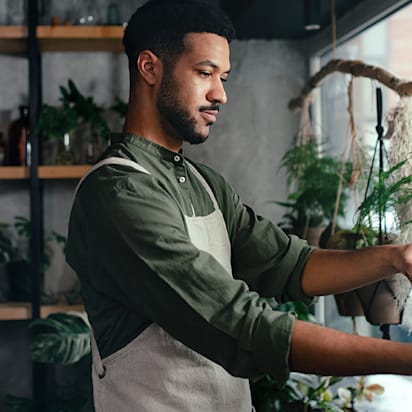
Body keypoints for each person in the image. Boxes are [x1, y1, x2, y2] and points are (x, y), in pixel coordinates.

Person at [66, 0, 412, 410]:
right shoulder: (116, 193)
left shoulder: (204, 184)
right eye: (204, 72)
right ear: (150, 68)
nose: (221, 94)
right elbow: (244, 327)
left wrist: (394, 257)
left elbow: (290, 265)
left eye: (224, 76)